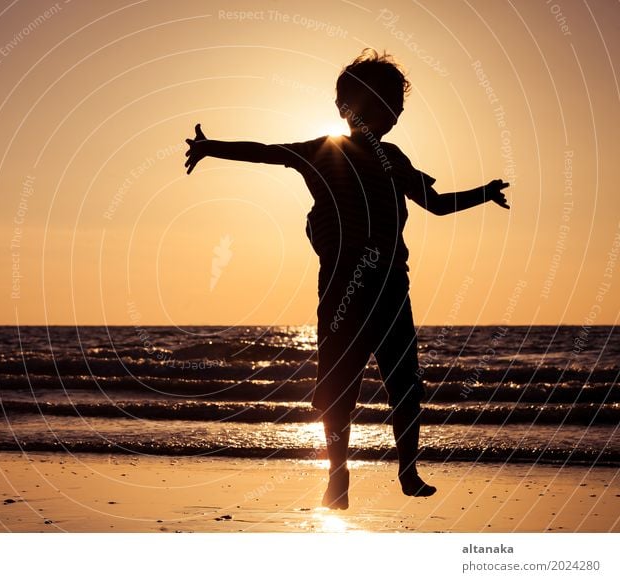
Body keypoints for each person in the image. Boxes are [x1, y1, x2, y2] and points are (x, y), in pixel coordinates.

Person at [184, 48, 510, 510]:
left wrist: (484, 193)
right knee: (338, 386)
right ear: (349, 108)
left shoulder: (394, 159)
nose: (395, 112)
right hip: (342, 289)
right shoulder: (323, 152)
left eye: (398, 105)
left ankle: (408, 469)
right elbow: (265, 152)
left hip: (392, 287)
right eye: (385, 102)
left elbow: (434, 204)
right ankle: (337, 477)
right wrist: (212, 147)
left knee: (405, 381)